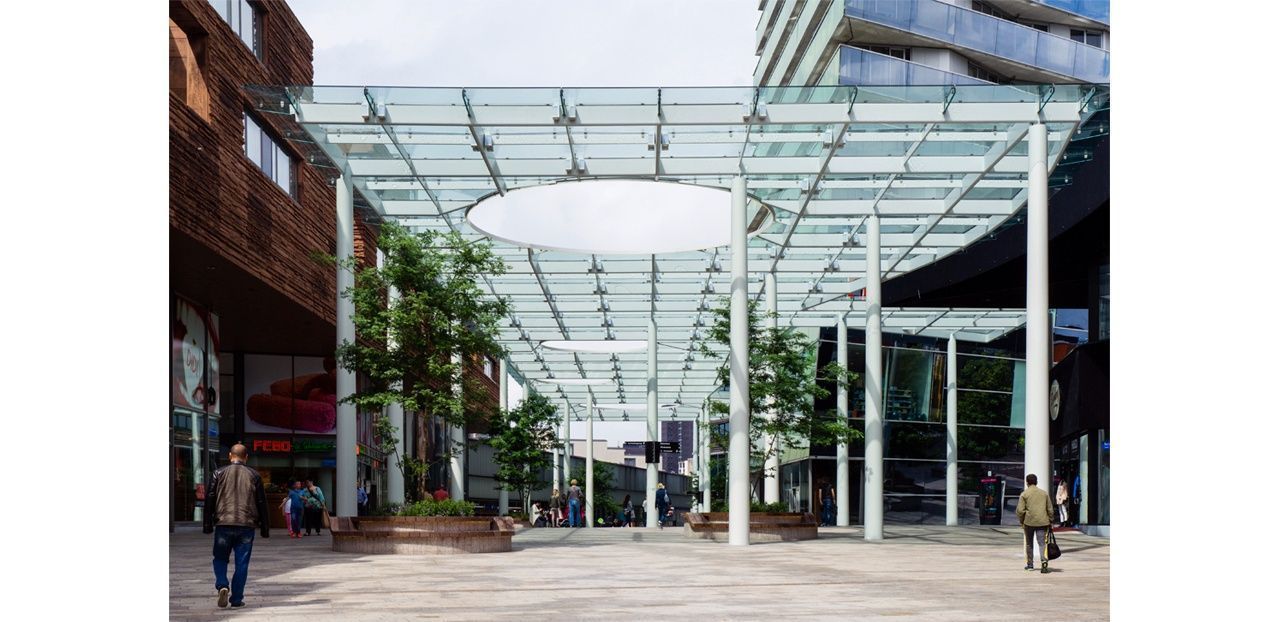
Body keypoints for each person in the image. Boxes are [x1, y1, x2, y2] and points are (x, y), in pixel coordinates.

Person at [202, 443, 269, 609]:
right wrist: (265, 527)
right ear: (246, 457)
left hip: (223, 523)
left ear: (230, 456)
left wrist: (207, 523)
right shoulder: (254, 475)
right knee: (242, 563)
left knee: (220, 558)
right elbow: (262, 502)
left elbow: (210, 498)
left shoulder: (218, 473)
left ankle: (222, 584)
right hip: (246, 525)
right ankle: (237, 599)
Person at [1016, 473, 1054, 574]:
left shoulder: (1024, 494)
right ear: (1036, 482)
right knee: (1042, 543)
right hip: (1042, 522)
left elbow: (1020, 510)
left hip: (1029, 522)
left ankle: (1030, 565)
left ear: (1027, 482)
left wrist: (1022, 521)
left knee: (1029, 543)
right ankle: (1044, 563)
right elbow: (1050, 509)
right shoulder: (1044, 493)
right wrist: (1051, 520)